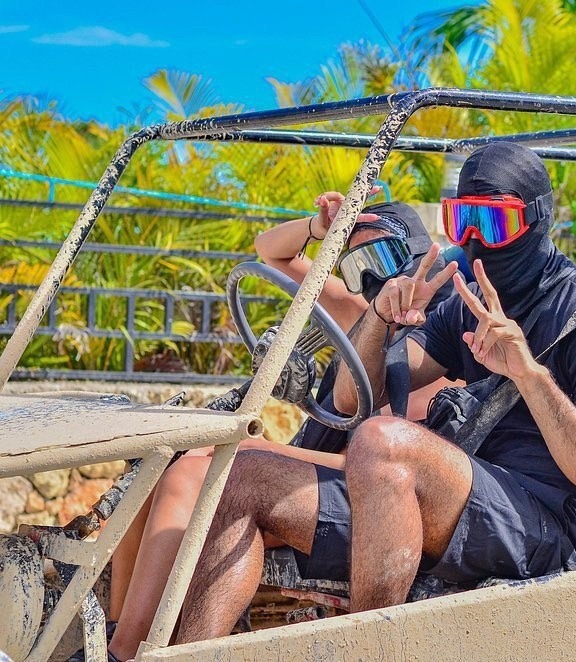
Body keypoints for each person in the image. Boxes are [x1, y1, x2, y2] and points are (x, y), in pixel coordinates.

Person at [173, 142, 576, 642]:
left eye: (493, 223)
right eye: (462, 221)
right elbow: (355, 397)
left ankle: (366, 651)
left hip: (552, 530)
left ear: (536, 218)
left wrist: (530, 376)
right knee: (244, 476)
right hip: (465, 505)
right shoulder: (466, 305)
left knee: (384, 441)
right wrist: (381, 317)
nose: (474, 241)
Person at [102, 194, 455, 662]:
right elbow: (270, 251)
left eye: (381, 257)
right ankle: (116, 633)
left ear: (417, 255)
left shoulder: (443, 341)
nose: (371, 277)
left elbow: (402, 462)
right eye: (355, 265)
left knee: (194, 476)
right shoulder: (365, 314)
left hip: (378, 490)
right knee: (167, 462)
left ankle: (125, 652)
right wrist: (319, 227)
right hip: (326, 469)